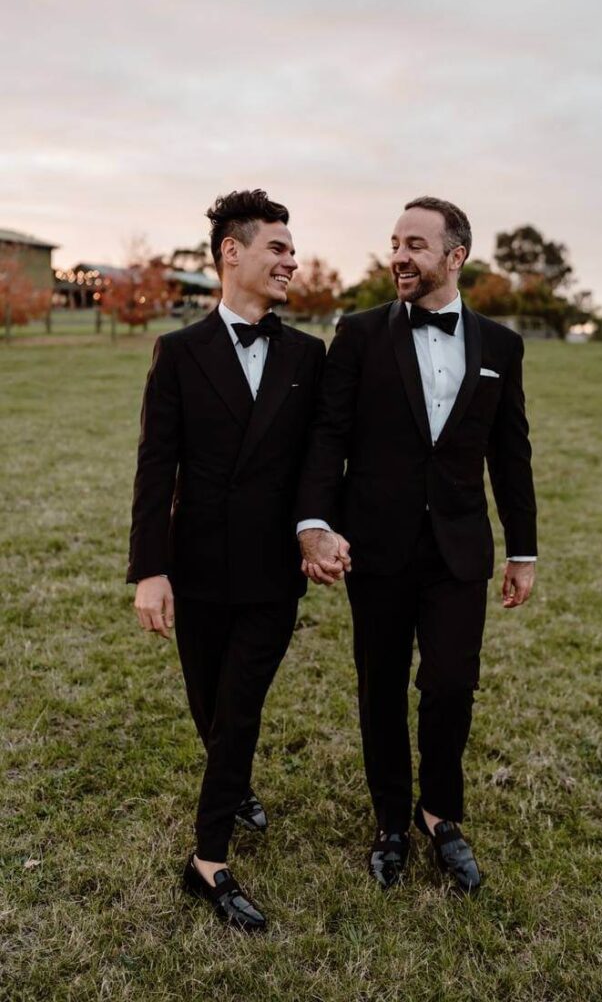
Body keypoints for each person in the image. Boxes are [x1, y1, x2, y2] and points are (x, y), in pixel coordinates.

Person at [297, 196, 537, 891]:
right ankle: (389, 822)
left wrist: (522, 551)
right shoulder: (360, 332)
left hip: (459, 547)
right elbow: (328, 437)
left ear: (454, 257)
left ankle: (440, 816)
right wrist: (314, 524)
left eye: (415, 244)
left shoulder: (501, 345)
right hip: (373, 543)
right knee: (379, 687)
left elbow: (510, 455)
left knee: (451, 686)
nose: (398, 256)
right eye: (393, 242)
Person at [127, 190, 327, 930]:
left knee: (240, 705)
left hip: (274, 571)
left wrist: (316, 526)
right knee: (209, 704)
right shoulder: (178, 352)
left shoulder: (309, 354)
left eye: (292, 249)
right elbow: (156, 467)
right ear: (231, 253)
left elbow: (318, 459)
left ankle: (206, 861)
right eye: (278, 247)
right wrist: (150, 569)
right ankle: (232, 780)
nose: (291, 260)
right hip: (197, 564)